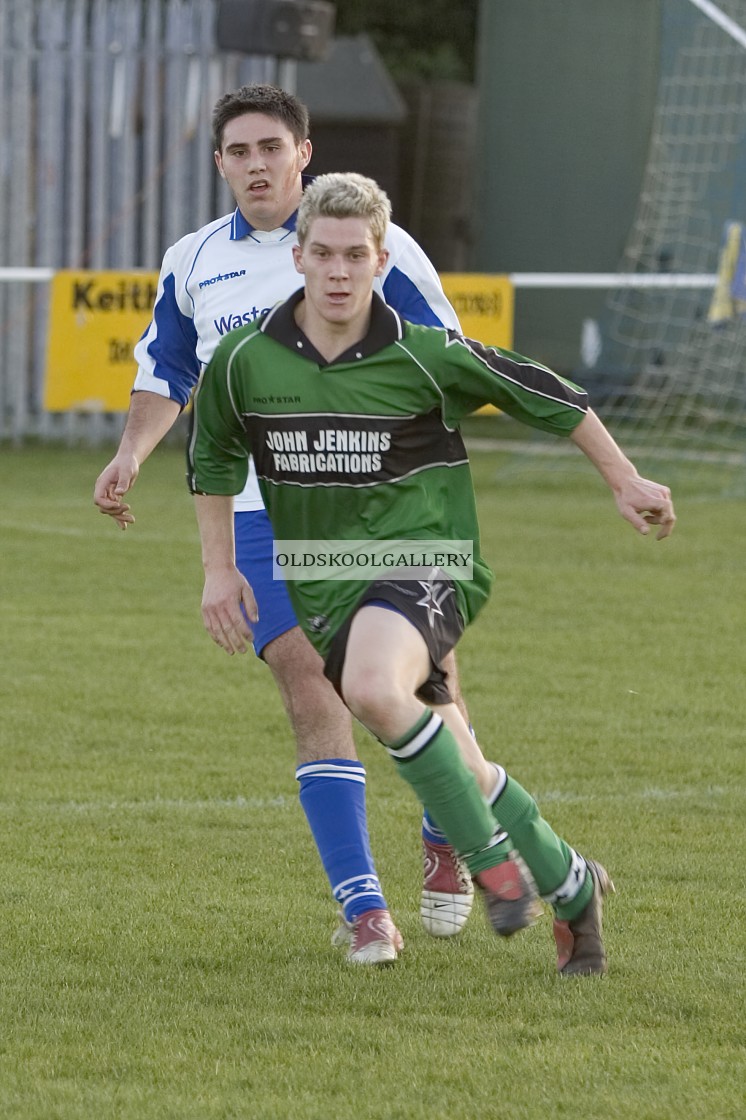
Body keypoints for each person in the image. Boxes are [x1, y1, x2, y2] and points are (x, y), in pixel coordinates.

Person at [187, 171, 676, 975]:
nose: (339, 271)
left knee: (377, 692)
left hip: (431, 560)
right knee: (460, 760)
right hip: (324, 579)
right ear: (299, 259)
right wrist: (216, 569)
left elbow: (551, 396)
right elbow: (212, 458)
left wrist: (624, 479)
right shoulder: (245, 361)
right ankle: (571, 883)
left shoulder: (426, 354)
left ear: (381, 261)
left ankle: (487, 859)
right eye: (323, 254)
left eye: (356, 255)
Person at [93, 83, 477, 965]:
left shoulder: (380, 243)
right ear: (221, 163)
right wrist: (132, 453)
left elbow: (446, 357)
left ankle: (445, 828)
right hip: (266, 509)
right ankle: (364, 906)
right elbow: (168, 370)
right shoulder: (192, 260)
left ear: (304, 153)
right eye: (239, 151)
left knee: (422, 687)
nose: (257, 163)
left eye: (273, 147)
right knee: (311, 683)